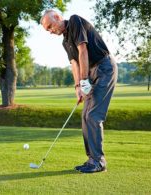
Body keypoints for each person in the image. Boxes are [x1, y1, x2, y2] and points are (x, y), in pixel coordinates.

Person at [40, 10, 118, 173]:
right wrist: (77, 87)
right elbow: (74, 63)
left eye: (50, 26)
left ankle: (99, 162)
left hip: (105, 68)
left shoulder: (75, 21)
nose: (50, 31)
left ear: (58, 17)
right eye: (47, 30)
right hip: (90, 72)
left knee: (93, 115)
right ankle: (92, 160)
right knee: (85, 116)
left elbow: (83, 50)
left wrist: (84, 82)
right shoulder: (65, 42)